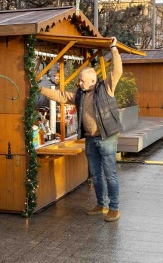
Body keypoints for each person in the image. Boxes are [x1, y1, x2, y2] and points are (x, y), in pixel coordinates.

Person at [39, 38, 123, 222]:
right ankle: (101, 204)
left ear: (93, 80)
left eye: (82, 81)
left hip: (107, 137)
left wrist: (114, 49)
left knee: (110, 173)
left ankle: (114, 208)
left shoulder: (106, 87)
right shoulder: (79, 94)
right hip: (91, 138)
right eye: (79, 81)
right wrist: (39, 89)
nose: (79, 83)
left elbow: (117, 71)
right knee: (95, 172)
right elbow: (60, 96)